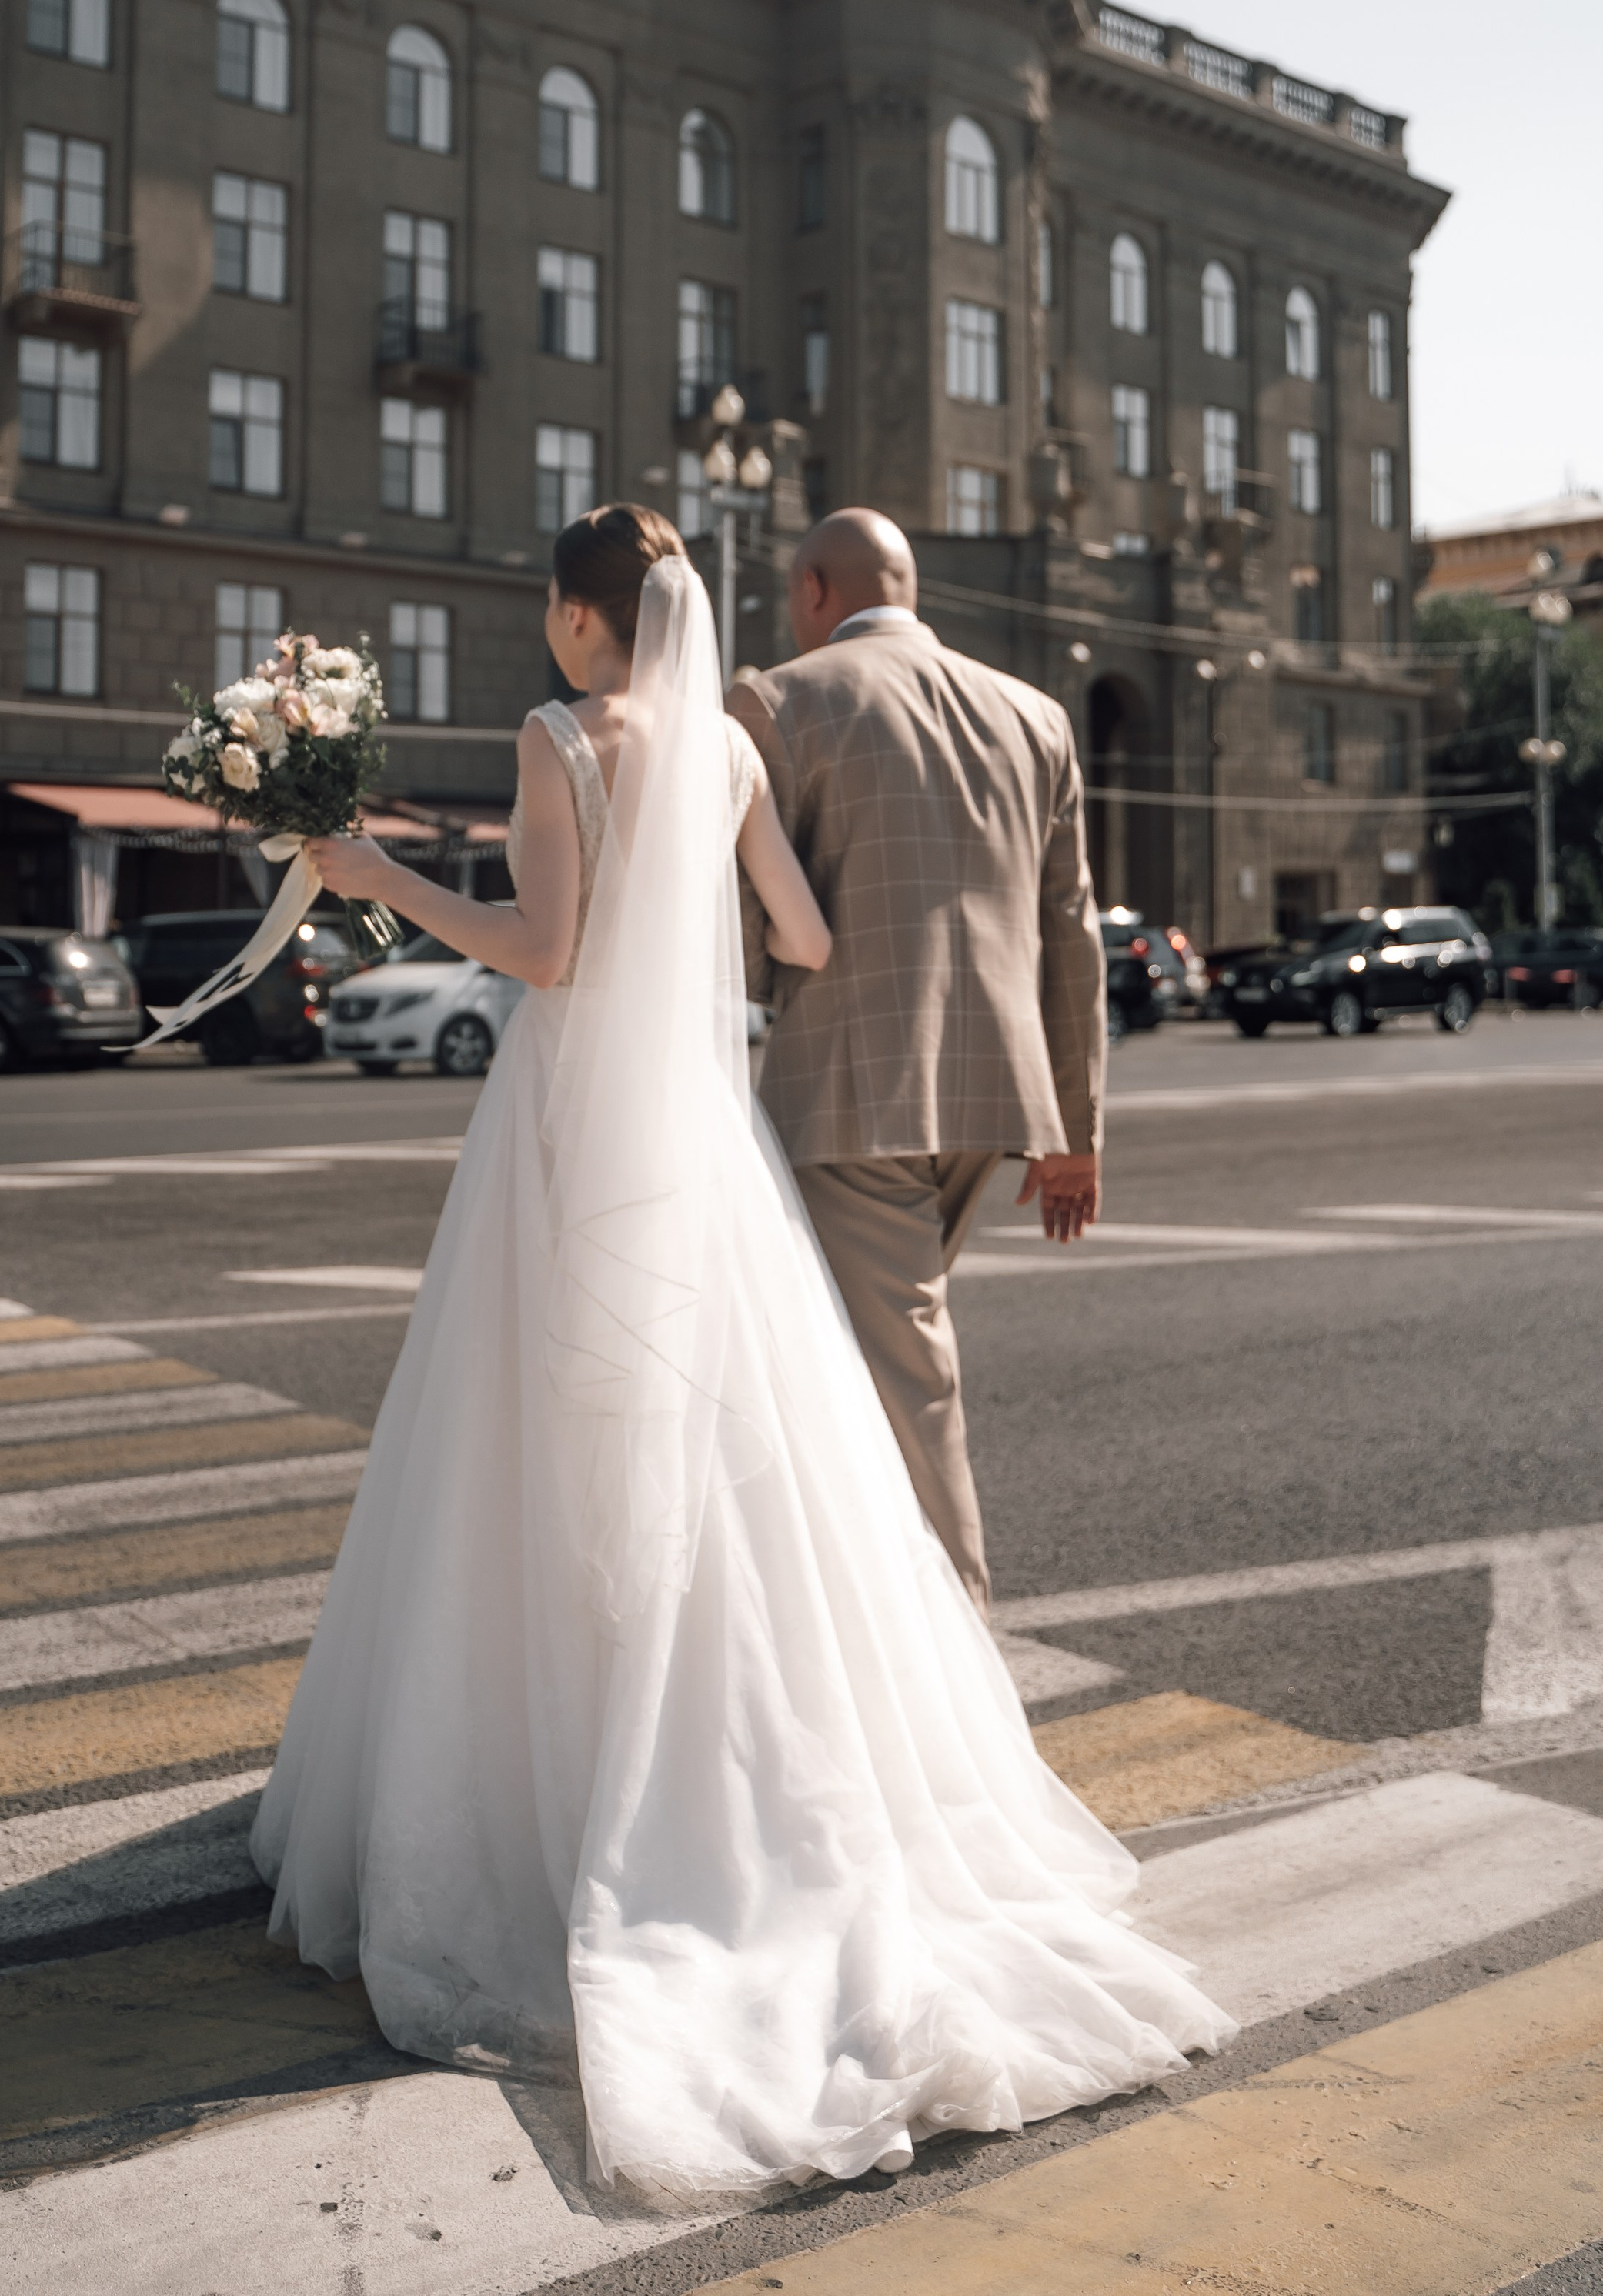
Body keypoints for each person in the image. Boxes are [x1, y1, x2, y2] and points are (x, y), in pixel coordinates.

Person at [252, 504, 1232, 2204]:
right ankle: (755, 1758)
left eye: (552, 615)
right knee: (733, 1444)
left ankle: (569, 1781)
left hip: (571, 1124)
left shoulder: (560, 734)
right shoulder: (714, 744)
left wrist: (383, 879)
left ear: (575, 619)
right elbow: (797, 939)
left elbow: (544, 953)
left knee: (531, 1429)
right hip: (702, 1134)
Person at [729, 508, 1104, 1617]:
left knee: (906, 1383)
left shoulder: (779, 702)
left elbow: (745, 924)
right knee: (855, 1367)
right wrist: (1076, 1134)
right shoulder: (1033, 715)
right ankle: (860, 1636)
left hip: (850, 1098)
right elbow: (1071, 931)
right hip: (995, 1102)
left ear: (810, 589)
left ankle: (963, 1655)